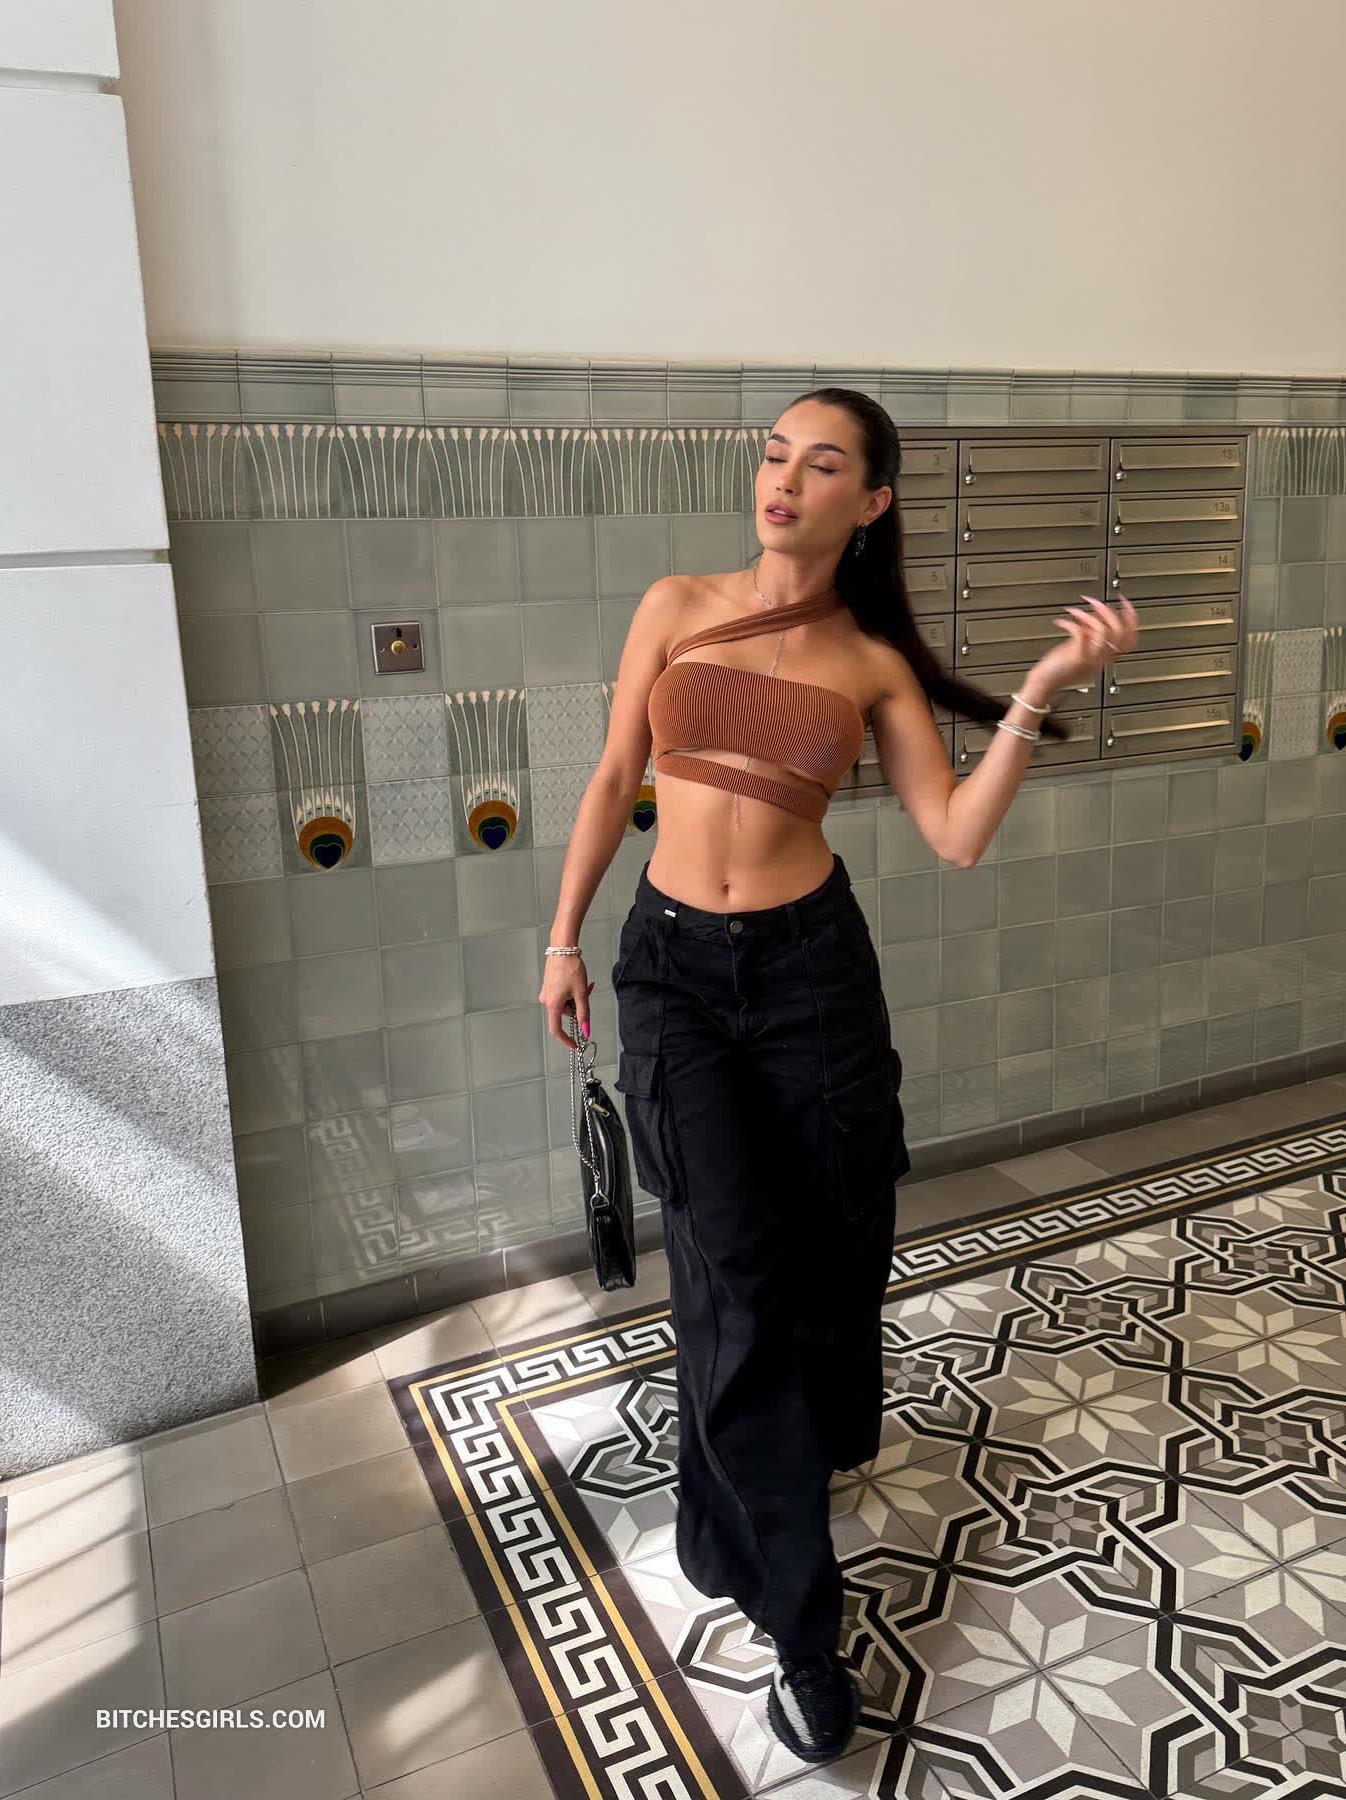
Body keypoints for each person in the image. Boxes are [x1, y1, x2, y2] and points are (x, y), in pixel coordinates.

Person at [538, 387, 1137, 1764]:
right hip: (674, 975)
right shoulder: (676, 604)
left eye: (820, 467)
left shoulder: (870, 663)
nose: (784, 482)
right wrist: (562, 939)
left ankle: (737, 1495)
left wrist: (1038, 693)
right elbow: (615, 776)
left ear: (869, 503)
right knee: (732, 1267)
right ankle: (806, 1632)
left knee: (825, 1249)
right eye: (774, 456)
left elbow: (955, 834)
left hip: (811, 975)